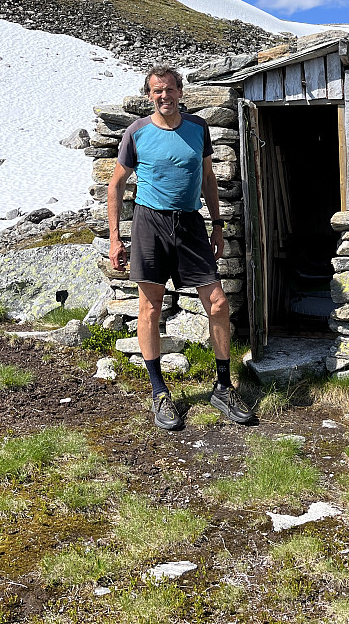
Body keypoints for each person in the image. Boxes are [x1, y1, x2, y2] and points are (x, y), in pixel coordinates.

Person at [107, 65, 255, 430]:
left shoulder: (198, 128)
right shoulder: (136, 132)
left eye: (170, 89)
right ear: (149, 95)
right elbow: (116, 186)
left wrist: (217, 225)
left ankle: (223, 386)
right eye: (157, 91)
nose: (164, 96)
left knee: (218, 302)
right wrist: (115, 238)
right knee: (150, 307)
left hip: (189, 223)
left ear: (180, 92)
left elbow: (207, 177)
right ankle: (159, 391)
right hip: (150, 223)